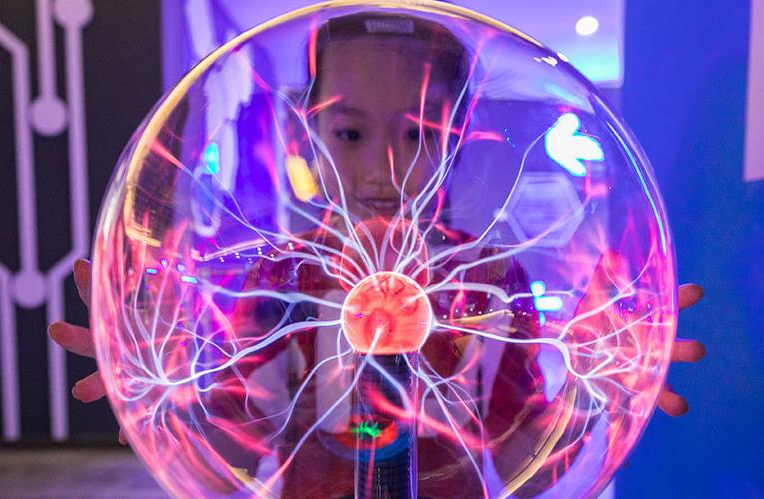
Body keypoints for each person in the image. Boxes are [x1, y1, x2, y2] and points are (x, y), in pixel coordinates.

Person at [49, 11, 707, 498]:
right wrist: (163, 396)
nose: (382, 168)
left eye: (417, 134)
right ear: (307, 135)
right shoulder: (283, 276)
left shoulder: (486, 282)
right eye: (350, 133)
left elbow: (523, 469)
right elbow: (231, 462)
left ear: (454, 138)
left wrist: (595, 389)